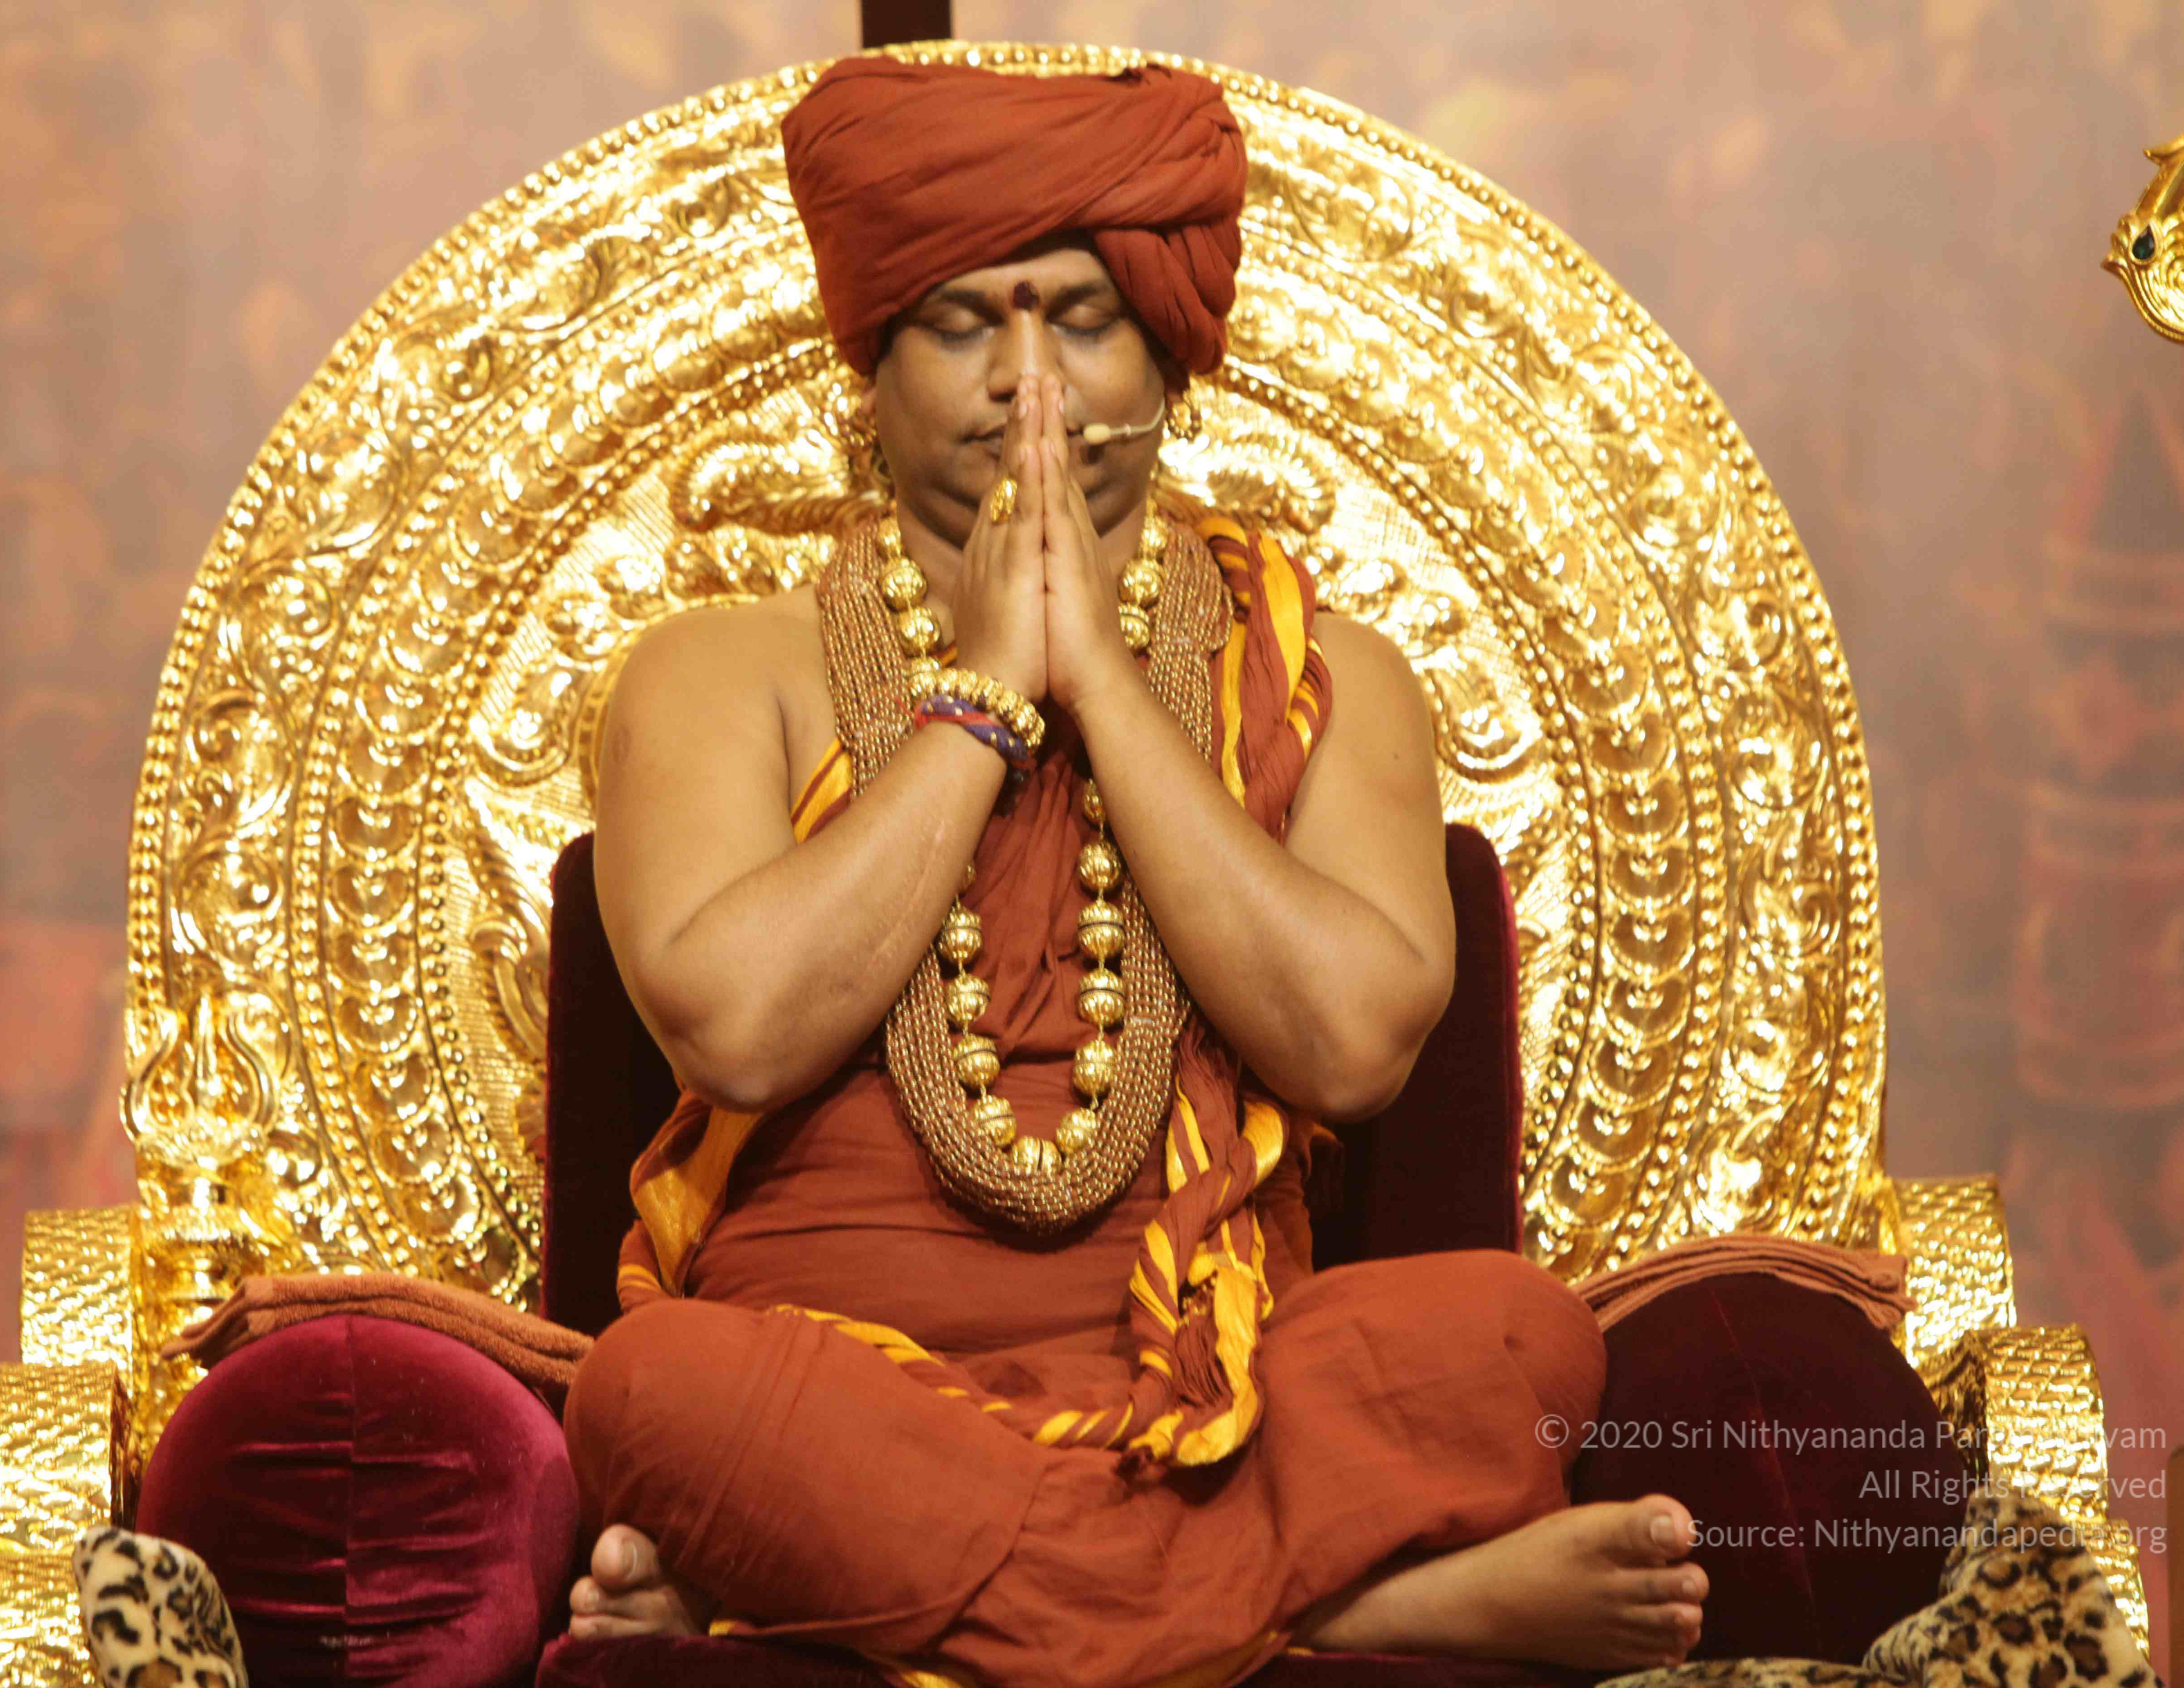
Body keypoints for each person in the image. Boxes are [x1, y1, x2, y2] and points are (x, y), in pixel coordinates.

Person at [564, 55, 1710, 1686]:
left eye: (1084, 320)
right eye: (963, 323)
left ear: (1170, 357)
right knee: (648, 1391)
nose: (1027, 382)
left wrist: (1103, 681)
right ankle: (1346, 1609)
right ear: (870, 364)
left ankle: (855, 1598)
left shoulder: (1328, 674)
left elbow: (1354, 1049)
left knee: (1521, 1340)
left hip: (1221, 1393)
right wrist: (982, 695)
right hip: (831, 1383)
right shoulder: (720, 669)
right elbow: (737, 1033)